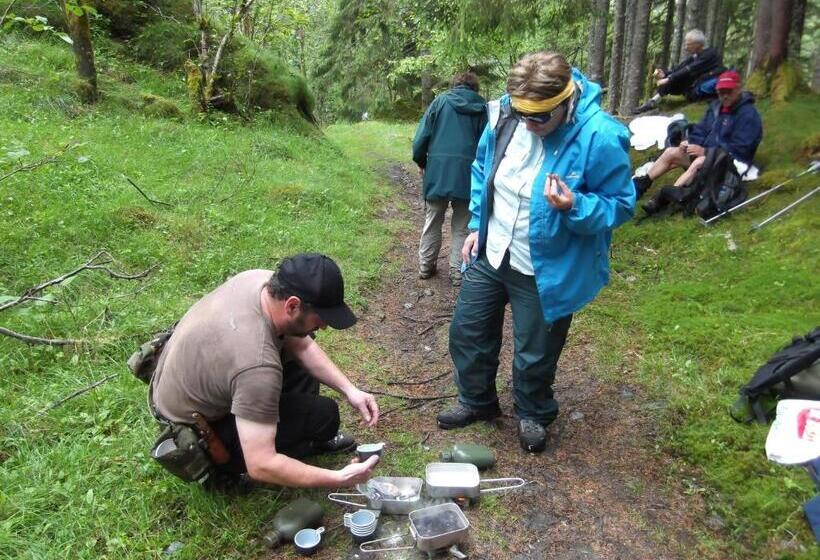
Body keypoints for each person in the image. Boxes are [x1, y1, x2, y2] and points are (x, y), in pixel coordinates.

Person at [436, 52, 635, 452]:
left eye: (539, 118)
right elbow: (482, 169)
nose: (528, 124)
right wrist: (477, 223)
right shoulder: (506, 115)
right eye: (522, 114)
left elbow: (621, 203)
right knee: (468, 331)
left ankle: (533, 412)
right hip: (493, 251)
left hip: (547, 265)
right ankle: (477, 401)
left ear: (566, 102)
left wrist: (574, 206)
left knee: (536, 349)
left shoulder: (600, 136)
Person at [150, 253, 380, 489]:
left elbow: (301, 344)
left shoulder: (260, 281)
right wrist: (340, 478)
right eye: (320, 318)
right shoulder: (257, 365)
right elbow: (260, 463)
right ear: (292, 305)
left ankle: (282, 427)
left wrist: (350, 390)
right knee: (324, 416)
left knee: (298, 344)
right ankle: (223, 471)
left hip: (181, 389)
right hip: (196, 433)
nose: (324, 326)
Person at [635, 69, 763, 213]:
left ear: (738, 88)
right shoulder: (716, 108)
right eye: (721, 92)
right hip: (707, 156)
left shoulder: (748, 115)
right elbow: (700, 130)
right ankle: (638, 188)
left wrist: (707, 152)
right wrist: (688, 142)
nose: (725, 96)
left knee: (698, 163)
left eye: (729, 91)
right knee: (671, 152)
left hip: (729, 164)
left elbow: (742, 149)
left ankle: (663, 199)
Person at [412, 71, 488, 286]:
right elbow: (488, 146)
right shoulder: (483, 108)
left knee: (433, 220)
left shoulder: (440, 102)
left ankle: (426, 266)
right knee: (462, 226)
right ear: (475, 88)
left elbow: (421, 137)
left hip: (438, 172)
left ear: (454, 85)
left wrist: (421, 161)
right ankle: (457, 271)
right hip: (470, 176)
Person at [633, 29, 724, 114]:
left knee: (676, 78)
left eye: (689, 44)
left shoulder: (710, 54)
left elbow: (689, 69)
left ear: (698, 44)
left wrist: (669, 78)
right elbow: (681, 68)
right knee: (673, 78)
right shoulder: (697, 55)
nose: (686, 47)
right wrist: (666, 73)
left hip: (699, 88)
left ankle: (653, 102)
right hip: (693, 86)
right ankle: (652, 102)